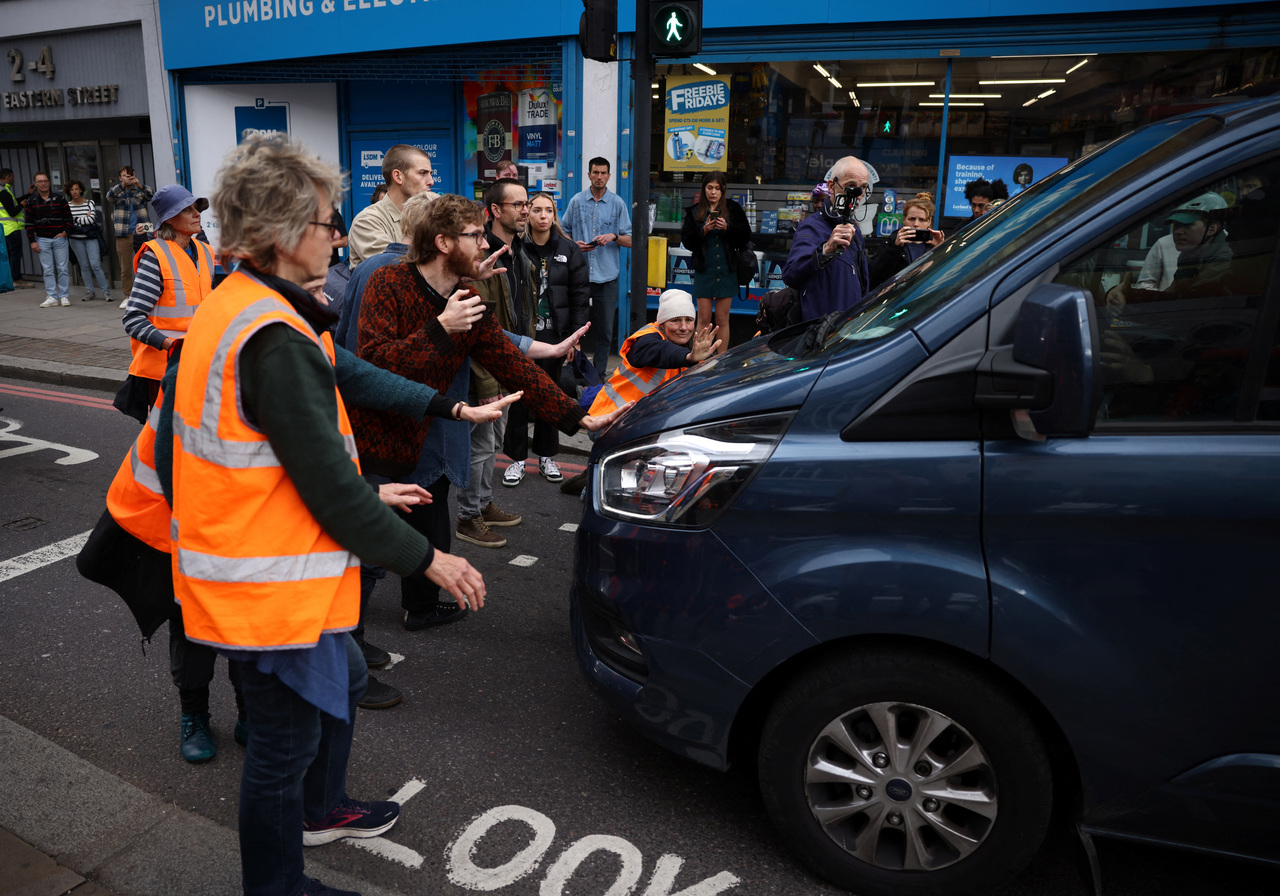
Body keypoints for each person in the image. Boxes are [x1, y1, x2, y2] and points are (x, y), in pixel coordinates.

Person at [169, 134, 487, 896]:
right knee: (281, 750)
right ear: (281, 236)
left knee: (318, 708)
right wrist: (430, 559)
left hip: (260, 572)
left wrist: (414, 442)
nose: (338, 235)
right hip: (268, 590)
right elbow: (328, 489)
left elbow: (292, 449)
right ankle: (277, 885)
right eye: (324, 222)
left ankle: (313, 826)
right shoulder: (271, 336)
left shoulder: (246, 303)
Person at [351, 194, 630, 607]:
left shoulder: (467, 299)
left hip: (420, 440)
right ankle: (344, 646)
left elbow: (512, 364)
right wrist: (440, 328)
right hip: (370, 441)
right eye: (474, 236)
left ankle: (416, 611)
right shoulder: (388, 283)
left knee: (420, 535)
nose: (484, 245)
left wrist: (577, 416)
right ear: (444, 243)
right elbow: (373, 370)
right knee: (363, 556)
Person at [461, 178, 535, 540]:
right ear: (495, 211)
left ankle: (484, 503)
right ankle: (467, 515)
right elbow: (478, 329)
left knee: (493, 444)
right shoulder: (482, 257)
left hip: (507, 365)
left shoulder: (518, 251)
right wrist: (490, 379)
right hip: (485, 372)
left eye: (527, 204)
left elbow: (521, 312)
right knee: (480, 446)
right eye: (518, 204)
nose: (526, 210)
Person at [507, 191, 590, 490]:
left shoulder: (569, 249)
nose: (543, 216)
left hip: (557, 335)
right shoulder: (516, 248)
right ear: (527, 214)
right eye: (537, 210)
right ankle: (516, 459)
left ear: (555, 215)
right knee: (519, 396)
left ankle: (545, 456)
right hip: (523, 335)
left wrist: (575, 338)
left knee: (549, 395)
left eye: (549, 210)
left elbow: (581, 297)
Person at [121, 184, 215, 412]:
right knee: (166, 443)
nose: (196, 213)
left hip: (198, 364)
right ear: (169, 219)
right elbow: (133, 319)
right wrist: (171, 346)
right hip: (164, 371)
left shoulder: (205, 251)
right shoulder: (155, 255)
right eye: (187, 210)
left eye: (197, 208)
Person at [587, 288, 719, 417]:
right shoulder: (646, 339)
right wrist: (689, 357)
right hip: (607, 419)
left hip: (641, 420)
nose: (684, 327)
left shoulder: (693, 347)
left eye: (689, 320)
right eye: (675, 320)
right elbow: (661, 351)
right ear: (662, 323)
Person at [561, 157, 633, 375]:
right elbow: (562, 232)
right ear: (589, 175)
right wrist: (574, 245)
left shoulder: (617, 203)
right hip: (580, 275)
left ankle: (599, 375)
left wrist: (613, 236)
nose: (599, 177)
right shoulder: (576, 201)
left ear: (609, 176)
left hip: (607, 278)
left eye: (603, 173)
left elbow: (631, 240)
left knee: (604, 331)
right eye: (595, 172)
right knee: (576, 328)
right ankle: (577, 373)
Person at [781, 156, 871, 319]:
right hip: (820, 332)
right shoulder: (812, 226)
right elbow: (791, 275)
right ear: (832, 186)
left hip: (849, 328)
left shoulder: (855, 231)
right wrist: (825, 251)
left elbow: (862, 284)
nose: (857, 194)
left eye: (863, 188)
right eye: (850, 186)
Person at [1108, 192, 1232, 309]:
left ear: (1212, 228)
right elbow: (1172, 297)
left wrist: (1130, 295)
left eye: (1187, 224)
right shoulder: (1190, 255)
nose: (1177, 231)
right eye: (1176, 224)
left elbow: (1188, 305)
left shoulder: (1225, 258)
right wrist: (1125, 292)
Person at [680, 171, 750, 353]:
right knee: (703, 318)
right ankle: (700, 356)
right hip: (705, 269)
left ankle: (721, 359)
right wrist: (702, 232)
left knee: (722, 319)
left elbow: (745, 238)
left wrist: (728, 228)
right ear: (704, 189)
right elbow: (688, 242)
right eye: (709, 188)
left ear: (723, 190)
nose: (713, 192)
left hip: (726, 270)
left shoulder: (733, 209)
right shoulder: (695, 211)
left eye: (717, 188)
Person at [348, 145, 438, 267]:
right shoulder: (367, 221)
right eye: (422, 173)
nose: (431, 181)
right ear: (397, 176)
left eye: (430, 174)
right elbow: (397, 269)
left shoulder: (429, 216)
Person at [868, 192, 944, 291]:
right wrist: (895, 248)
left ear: (929, 222)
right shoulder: (891, 241)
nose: (916, 224)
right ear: (904, 219)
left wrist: (940, 250)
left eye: (922, 220)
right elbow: (875, 275)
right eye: (912, 219)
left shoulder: (934, 243)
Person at [24, 172, 75, 308]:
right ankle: (52, 296)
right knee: (47, 270)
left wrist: (65, 232)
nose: (43, 183)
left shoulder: (59, 198)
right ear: (35, 184)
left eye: (45, 181)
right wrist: (32, 241)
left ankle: (64, 295)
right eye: (40, 181)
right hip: (42, 239)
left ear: (49, 182)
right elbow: (28, 223)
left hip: (59, 238)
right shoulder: (31, 201)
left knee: (63, 268)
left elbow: (69, 218)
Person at [105, 166, 154, 301]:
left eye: (130, 176)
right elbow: (109, 197)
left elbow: (151, 195)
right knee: (125, 268)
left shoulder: (139, 190)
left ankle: (148, 294)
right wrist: (122, 185)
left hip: (144, 232)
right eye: (125, 176)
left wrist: (138, 184)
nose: (128, 178)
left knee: (148, 265)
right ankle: (128, 296)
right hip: (123, 233)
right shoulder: (117, 192)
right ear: (120, 177)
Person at [65, 181, 113, 302]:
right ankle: (90, 291)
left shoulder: (89, 203)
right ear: (69, 192)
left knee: (95, 264)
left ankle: (106, 292)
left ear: (81, 190)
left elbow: (91, 219)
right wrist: (82, 219)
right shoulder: (67, 206)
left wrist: (75, 219)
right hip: (75, 240)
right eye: (72, 190)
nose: (75, 192)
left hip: (91, 238)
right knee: (84, 266)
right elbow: (68, 222)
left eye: (76, 189)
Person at [1, 167, 30, 287]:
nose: (14, 179)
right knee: (15, 255)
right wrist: (22, 205)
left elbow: (12, 202)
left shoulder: (4, 191)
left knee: (7, 255)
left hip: (4, 229)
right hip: (11, 228)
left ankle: (10, 279)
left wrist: (28, 195)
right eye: (13, 177)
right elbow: (12, 211)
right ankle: (17, 279)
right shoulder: (3, 191)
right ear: (8, 177)